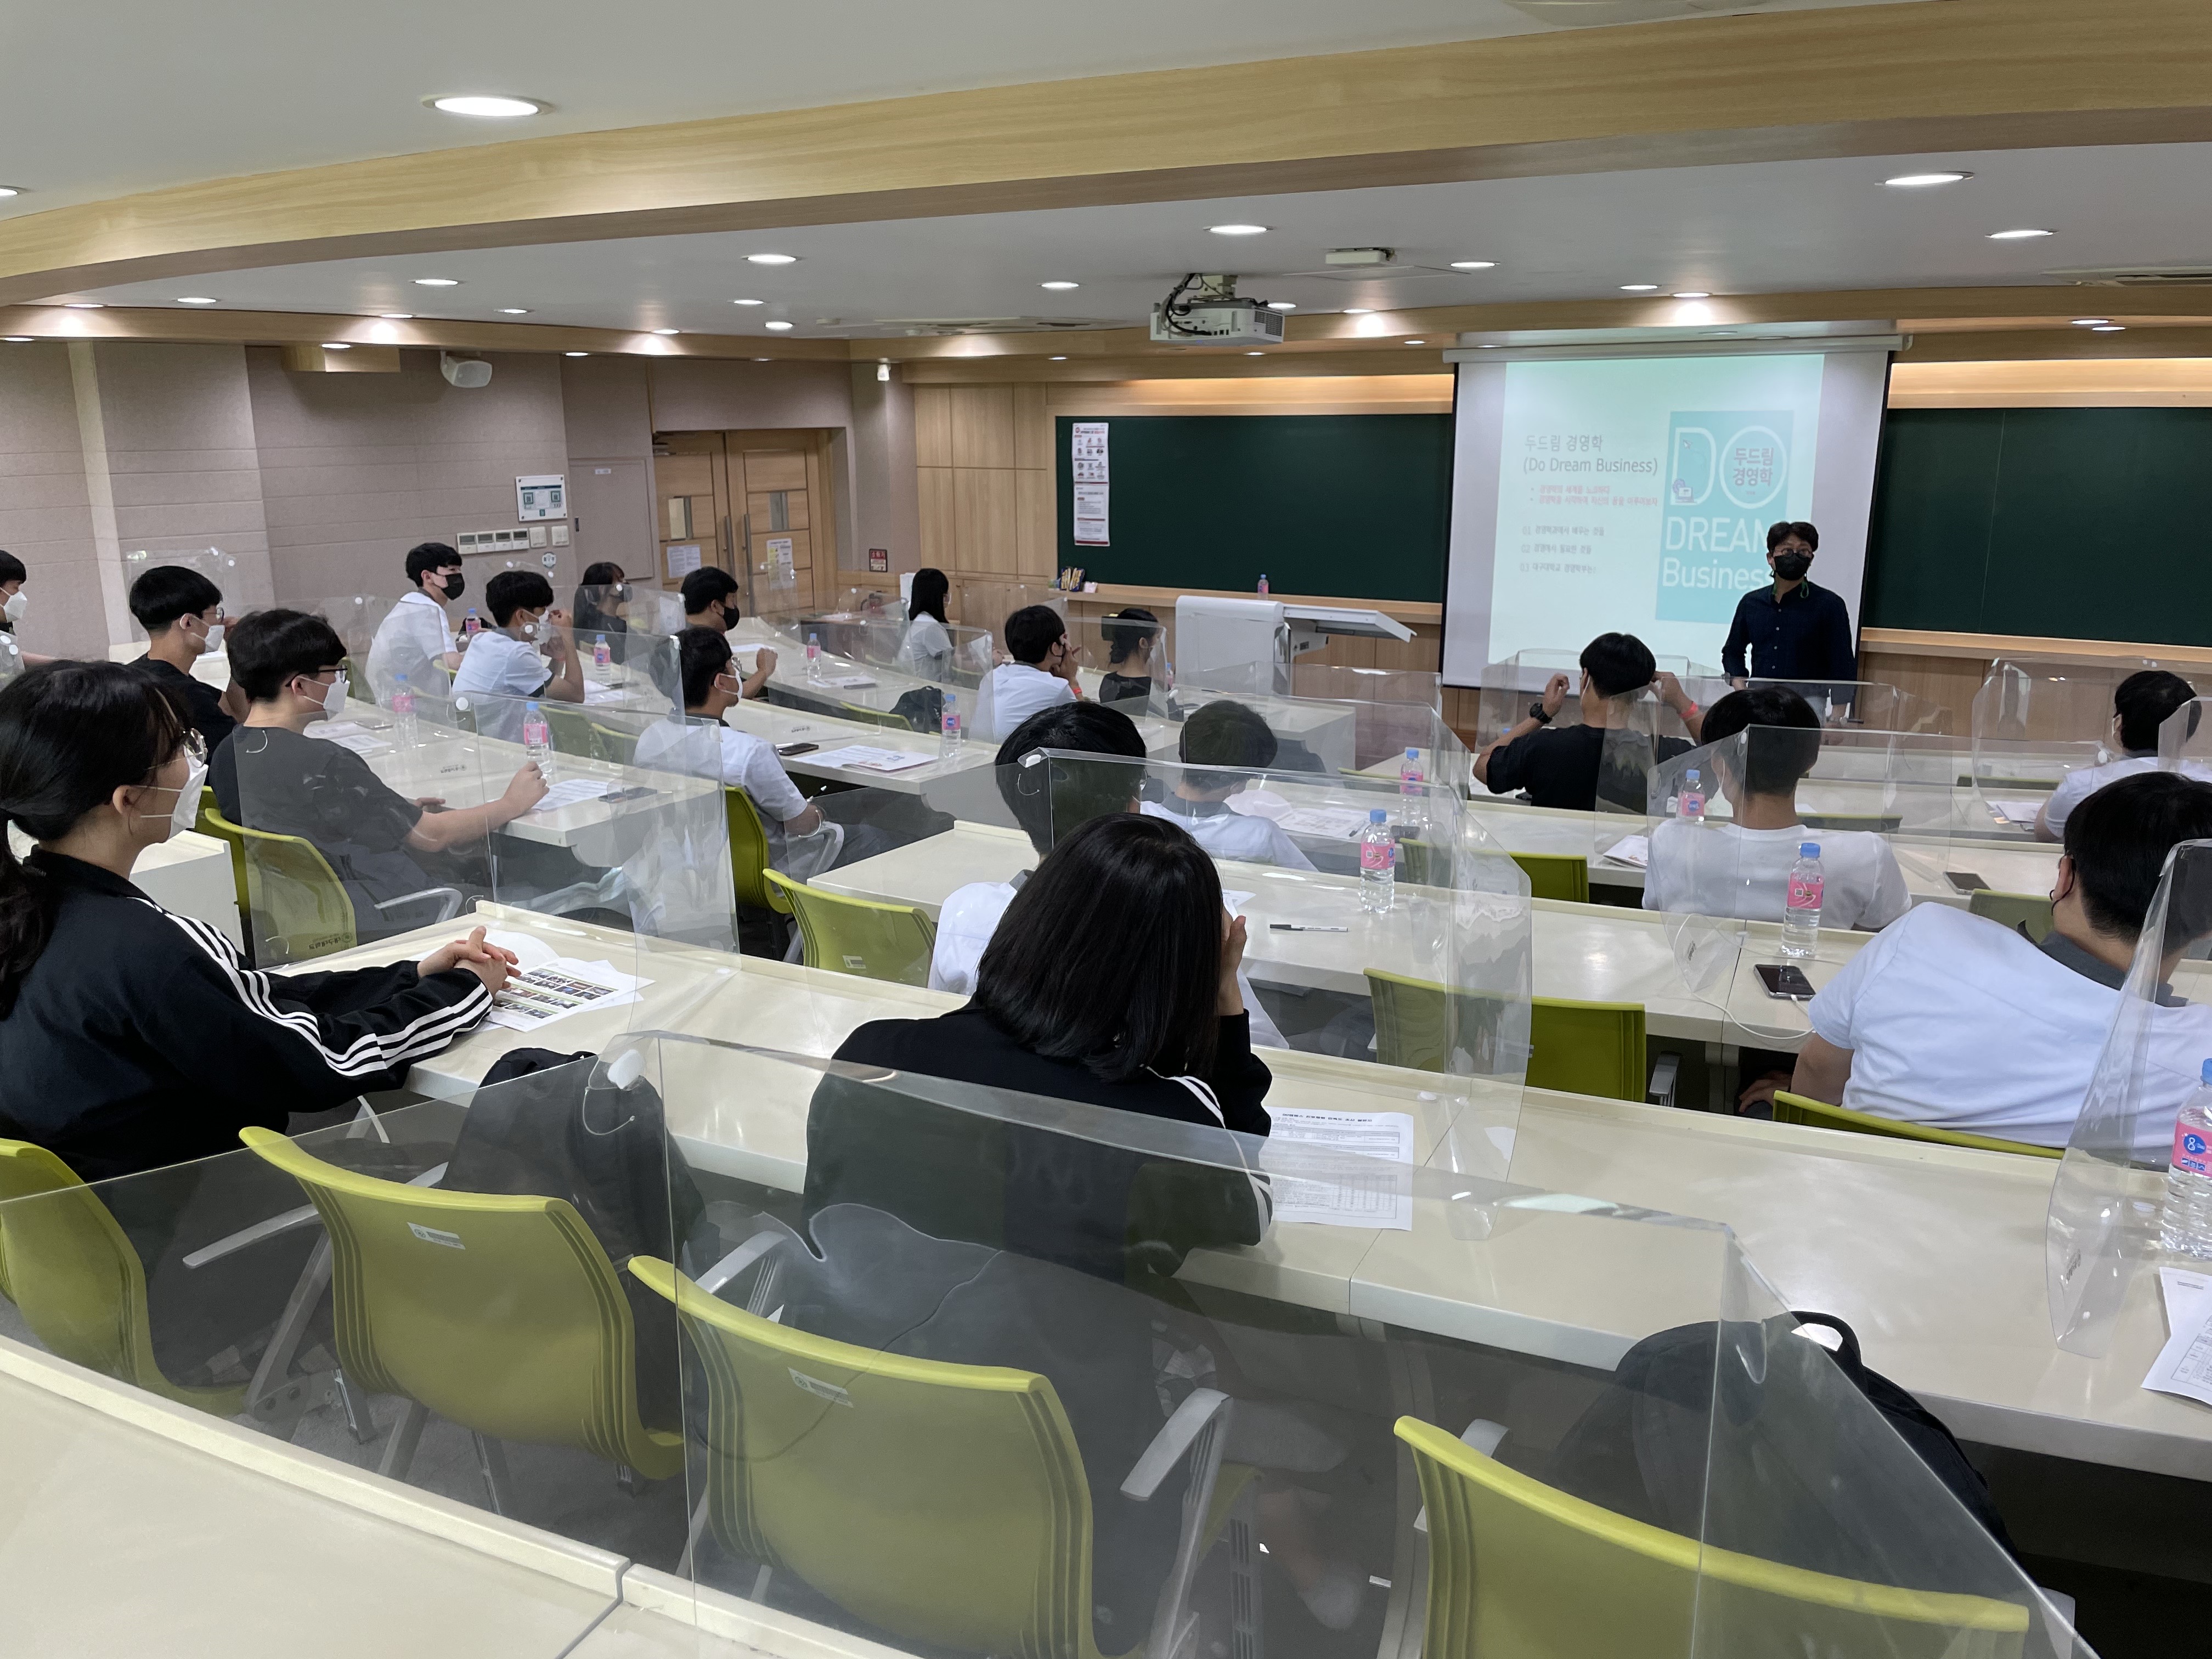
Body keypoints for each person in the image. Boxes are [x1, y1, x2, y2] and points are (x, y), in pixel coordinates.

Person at [0, 661, 512, 1182]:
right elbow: (323, 1061)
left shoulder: (34, 910)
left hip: (107, 1201)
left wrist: (410, 976)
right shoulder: (143, 947)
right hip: (201, 1207)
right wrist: (465, 991)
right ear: (127, 799)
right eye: (178, 749)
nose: (192, 762)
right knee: (482, 1156)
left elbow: (245, 999)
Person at [1783, 772, 2212, 1153]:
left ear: (2065, 875)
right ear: (2208, 926)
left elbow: (1818, 1070)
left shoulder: (1923, 937)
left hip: (1848, 1205)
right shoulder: (2200, 1065)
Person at [928, 701, 1288, 1048]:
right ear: (1133, 805)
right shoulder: (1179, 918)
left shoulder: (965, 908)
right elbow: (1260, 1047)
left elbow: (947, 1018)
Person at [211, 610, 551, 935]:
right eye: (335, 673)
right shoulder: (325, 762)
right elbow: (433, 837)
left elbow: (297, 819)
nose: (340, 682)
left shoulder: (227, 753)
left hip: (309, 915)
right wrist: (511, 803)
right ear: (300, 686)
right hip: (386, 912)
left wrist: (388, 811)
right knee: (543, 894)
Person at [1643, 685, 1908, 930]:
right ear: (1811, 761)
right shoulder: (1866, 857)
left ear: (1718, 764)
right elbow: (1891, 936)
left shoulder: (1671, 842)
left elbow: (1655, 917)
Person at [631, 626, 867, 877]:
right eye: (731, 665)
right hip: (771, 872)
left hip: (691, 870)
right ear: (721, 682)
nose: (737, 672)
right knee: (875, 837)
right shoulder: (749, 753)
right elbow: (802, 824)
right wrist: (820, 811)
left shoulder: (650, 741)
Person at [1476, 631, 1702, 811]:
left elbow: (1482, 766)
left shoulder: (1542, 747)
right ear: (1643, 693)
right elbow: (1718, 759)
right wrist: (1681, 702)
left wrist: (1541, 715)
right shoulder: (1662, 754)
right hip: (1632, 856)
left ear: (1585, 680)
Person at [1143, 701, 1315, 870]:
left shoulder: (1141, 817)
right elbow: (1312, 881)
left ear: (1183, 752)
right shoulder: (1260, 834)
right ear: (1239, 785)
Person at [2034, 669, 2202, 842]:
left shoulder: (2082, 783)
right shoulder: (2206, 782)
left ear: (2119, 723)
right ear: (2189, 728)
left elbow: (2045, 833)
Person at [450, 569, 585, 741]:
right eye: (543, 611)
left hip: (485, 741)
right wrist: (568, 635)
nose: (547, 618)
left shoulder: (483, 640)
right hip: (512, 747)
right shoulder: (515, 654)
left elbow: (546, 690)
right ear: (521, 616)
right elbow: (576, 695)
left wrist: (559, 656)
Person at [1720, 521, 1856, 686]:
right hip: (1759, 697)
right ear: (1770, 558)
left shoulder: (1829, 605)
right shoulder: (1751, 603)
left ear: (1811, 559)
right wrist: (1741, 690)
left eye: (1803, 551)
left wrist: (1840, 705)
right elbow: (1732, 652)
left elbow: (1842, 665)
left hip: (1808, 699)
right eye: (1787, 551)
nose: (1795, 556)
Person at [128, 563, 242, 754]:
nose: (220, 622)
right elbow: (241, 740)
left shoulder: (134, 674)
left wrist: (237, 647)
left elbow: (232, 709)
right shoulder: (186, 695)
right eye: (215, 614)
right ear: (189, 622)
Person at [363, 540, 464, 703]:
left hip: (388, 696)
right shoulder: (426, 608)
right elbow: (451, 662)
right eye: (452, 570)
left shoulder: (410, 603)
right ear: (427, 576)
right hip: (406, 703)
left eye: (459, 570)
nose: (458, 576)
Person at [977, 602, 1079, 741]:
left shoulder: (992, 677)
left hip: (983, 751)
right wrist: (1072, 681)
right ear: (1055, 647)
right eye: (1064, 640)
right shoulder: (1057, 688)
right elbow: (1087, 729)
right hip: (1017, 755)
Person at [681, 566, 775, 697]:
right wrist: (764, 670)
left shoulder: (681, 636)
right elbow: (735, 695)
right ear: (715, 606)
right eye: (732, 600)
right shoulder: (708, 647)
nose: (734, 607)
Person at [1096, 606, 1170, 712]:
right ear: (1143, 643)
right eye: (1157, 637)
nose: (1159, 643)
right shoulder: (1155, 687)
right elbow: (1173, 719)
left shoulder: (1108, 681)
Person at [894, 567, 953, 678]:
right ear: (941, 597)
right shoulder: (931, 627)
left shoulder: (916, 620)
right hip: (923, 685)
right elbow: (951, 663)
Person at [0, 550, 54, 672]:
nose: (19, 595)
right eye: (16, 587)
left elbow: (10, 657)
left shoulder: (4, 622)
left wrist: (61, 663)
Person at [572, 561, 633, 664]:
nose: (625, 584)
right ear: (602, 589)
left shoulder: (615, 624)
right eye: (620, 581)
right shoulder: (597, 630)